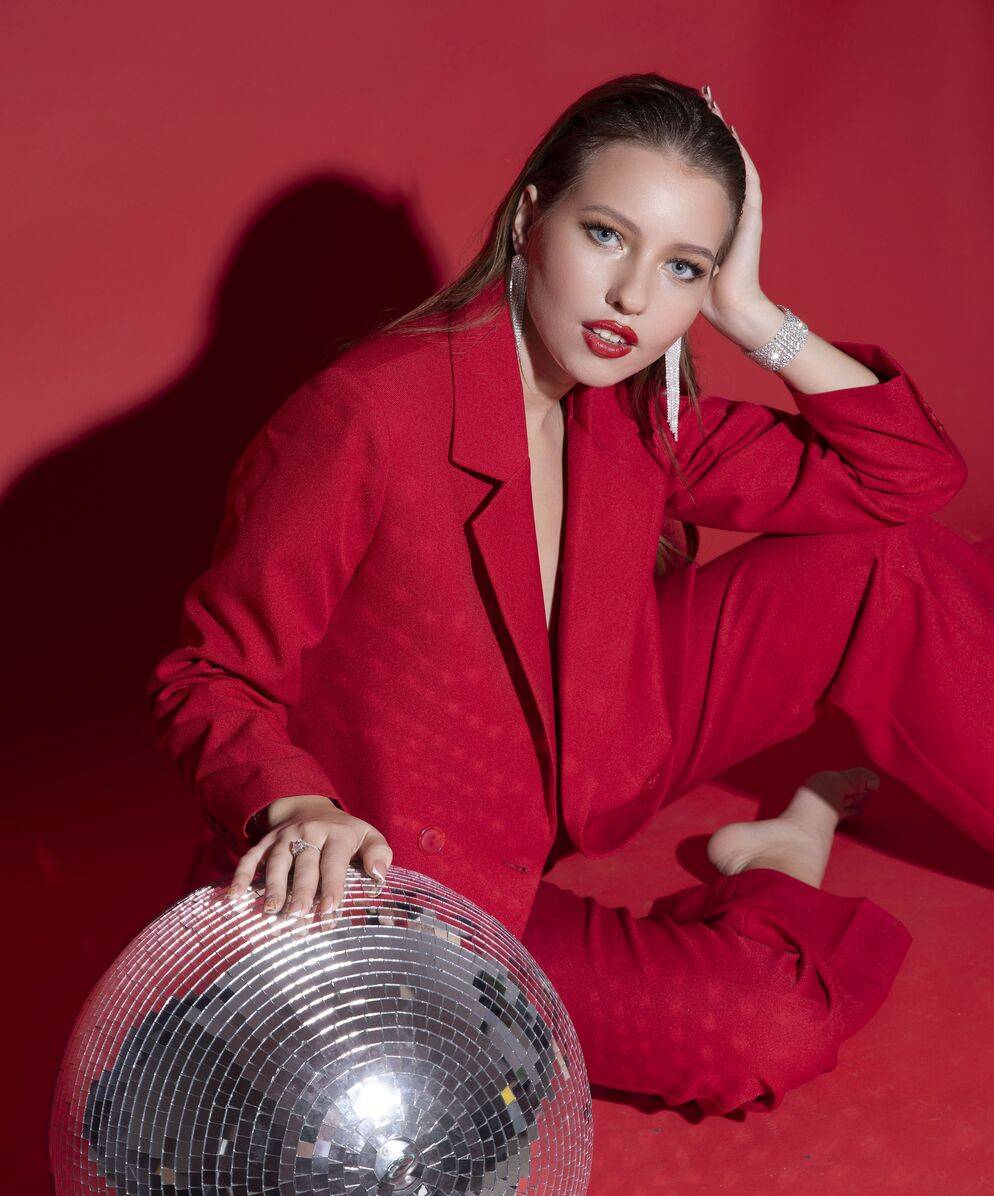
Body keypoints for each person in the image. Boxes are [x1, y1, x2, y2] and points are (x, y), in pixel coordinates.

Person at [147, 73, 990, 1118]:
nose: (633, 298)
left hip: (590, 752)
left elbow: (906, 479)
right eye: (605, 236)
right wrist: (300, 803)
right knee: (765, 1029)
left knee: (885, 564)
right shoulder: (365, 416)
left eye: (681, 266)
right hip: (422, 878)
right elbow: (211, 672)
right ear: (530, 219)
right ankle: (782, 854)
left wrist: (752, 314)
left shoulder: (638, 414)